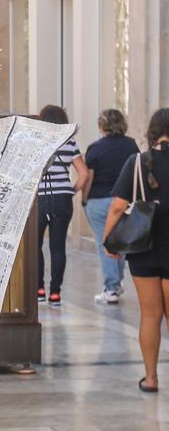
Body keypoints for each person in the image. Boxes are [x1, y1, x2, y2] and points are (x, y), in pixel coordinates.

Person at [105, 107, 169, 393]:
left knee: (150, 314)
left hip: (143, 248)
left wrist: (110, 240)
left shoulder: (138, 162)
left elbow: (118, 206)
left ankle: (151, 378)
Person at [80, 109, 138, 305]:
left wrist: (84, 200)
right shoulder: (131, 146)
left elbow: (89, 178)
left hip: (98, 201)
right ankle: (117, 282)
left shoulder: (95, 148)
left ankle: (111, 288)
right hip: (123, 201)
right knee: (119, 242)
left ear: (102, 126)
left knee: (103, 242)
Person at [36, 105, 87, 305]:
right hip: (62, 199)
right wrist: (71, 190)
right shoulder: (70, 142)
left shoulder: (37, 141)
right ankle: (55, 293)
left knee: (36, 245)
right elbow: (84, 174)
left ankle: (38, 290)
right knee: (58, 247)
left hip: (39, 198)